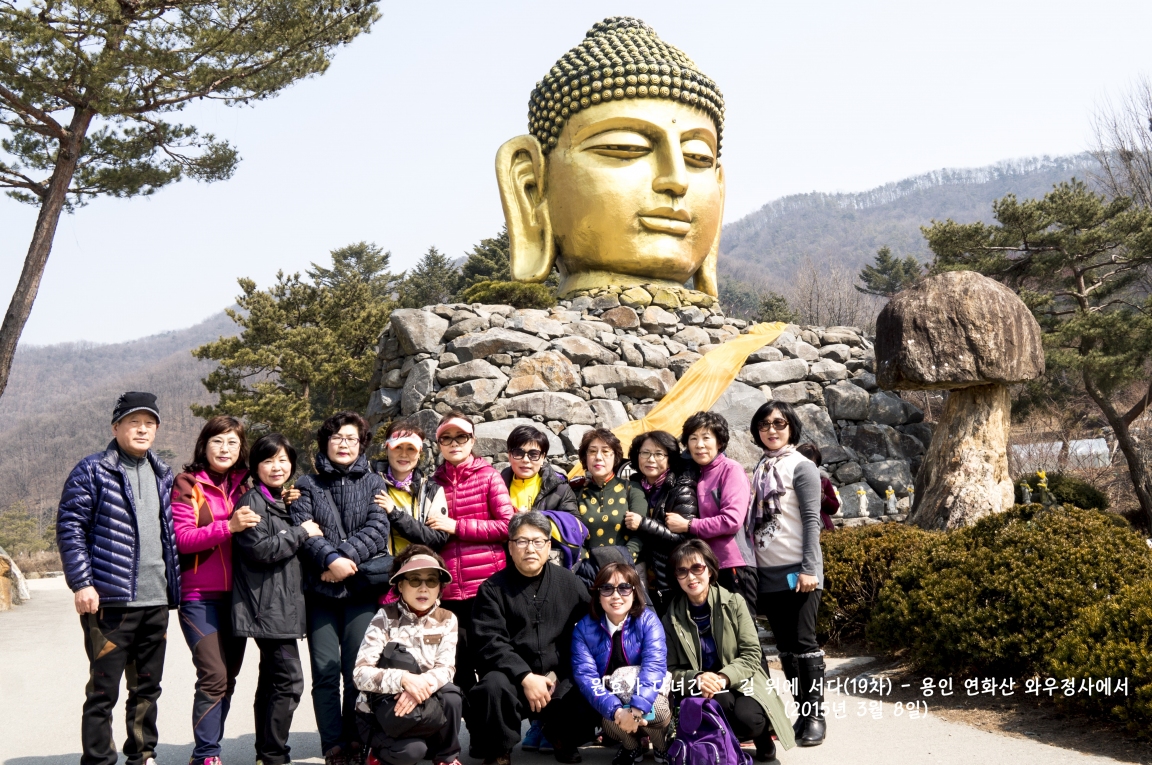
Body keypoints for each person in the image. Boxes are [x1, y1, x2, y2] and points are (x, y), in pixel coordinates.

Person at [57, 392, 180, 765]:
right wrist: (82, 583)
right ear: (116, 427)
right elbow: (71, 528)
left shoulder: (163, 473)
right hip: (110, 603)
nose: (142, 429)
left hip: (156, 601)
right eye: (133, 422)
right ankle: (98, 760)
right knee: (103, 690)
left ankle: (142, 755)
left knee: (147, 688)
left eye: (149, 423)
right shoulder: (92, 469)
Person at [291, 411, 391, 765]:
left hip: (360, 592)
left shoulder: (375, 483)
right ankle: (332, 743)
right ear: (325, 443)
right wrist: (329, 560)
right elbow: (303, 527)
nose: (344, 444)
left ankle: (355, 739)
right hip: (321, 595)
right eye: (337, 438)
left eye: (351, 438)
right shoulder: (307, 485)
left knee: (356, 670)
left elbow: (377, 528)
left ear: (361, 444)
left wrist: (343, 559)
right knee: (325, 671)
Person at [467, 512, 594, 765]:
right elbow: (489, 641)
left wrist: (564, 669)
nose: (530, 549)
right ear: (510, 547)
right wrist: (524, 676)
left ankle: (561, 736)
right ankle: (499, 749)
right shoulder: (492, 589)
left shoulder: (570, 583)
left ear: (548, 546)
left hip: (558, 675)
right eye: (522, 541)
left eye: (538, 541)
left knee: (585, 683)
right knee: (491, 687)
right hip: (512, 678)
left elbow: (592, 627)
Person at [232, 433, 323, 765]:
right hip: (266, 608)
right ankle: (274, 754)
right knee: (289, 681)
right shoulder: (251, 503)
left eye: (283, 460)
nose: (276, 467)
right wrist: (301, 531)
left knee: (271, 681)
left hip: (280, 606)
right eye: (268, 460)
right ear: (256, 466)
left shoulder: (279, 500)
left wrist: (293, 510)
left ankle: (265, 753)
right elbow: (260, 550)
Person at [171, 416, 257, 765]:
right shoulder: (187, 484)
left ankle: (210, 750)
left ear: (241, 449)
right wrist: (228, 526)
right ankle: (206, 754)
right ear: (204, 445)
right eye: (217, 441)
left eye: (232, 442)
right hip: (199, 597)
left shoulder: (247, 486)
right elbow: (182, 538)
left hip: (239, 597)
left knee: (228, 678)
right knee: (213, 675)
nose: (225, 448)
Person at [662, 540, 795, 762]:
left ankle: (761, 736)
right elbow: (669, 669)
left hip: (743, 681)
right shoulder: (671, 617)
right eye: (682, 571)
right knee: (716, 703)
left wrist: (723, 677)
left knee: (748, 719)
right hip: (703, 687)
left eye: (697, 568)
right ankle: (723, 745)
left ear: (710, 570)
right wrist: (697, 678)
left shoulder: (734, 602)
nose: (691, 577)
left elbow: (752, 653)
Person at [746, 401, 826, 747]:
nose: (772, 430)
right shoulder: (760, 466)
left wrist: (809, 568)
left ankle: (815, 717)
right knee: (785, 649)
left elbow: (812, 521)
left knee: (804, 643)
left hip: (799, 572)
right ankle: (801, 713)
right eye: (764, 424)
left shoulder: (801, 466)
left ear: (791, 426)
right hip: (768, 574)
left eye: (779, 423)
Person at [428, 410, 515, 699]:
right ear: (439, 444)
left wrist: (457, 526)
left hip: (487, 587)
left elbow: (507, 526)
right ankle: (466, 722)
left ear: (472, 440)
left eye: (461, 437)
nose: (454, 443)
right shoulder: (432, 483)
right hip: (449, 589)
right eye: (446, 438)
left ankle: (492, 726)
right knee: (458, 665)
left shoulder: (489, 477)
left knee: (491, 661)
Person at [353, 545, 462, 765]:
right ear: (400, 585)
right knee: (412, 751)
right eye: (414, 580)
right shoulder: (384, 617)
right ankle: (377, 753)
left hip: (423, 705)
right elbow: (360, 674)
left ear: (439, 587)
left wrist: (417, 687)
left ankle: (446, 757)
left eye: (431, 580)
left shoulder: (447, 618)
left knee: (452, 695)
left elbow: (446, 668)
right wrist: (403, 680)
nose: (423, 588)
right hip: (384, 710)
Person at [571, 563, 670, 765]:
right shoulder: (583, 628)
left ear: (634, 592)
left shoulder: (648, 621)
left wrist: (636, 709)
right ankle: (631, 747)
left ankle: (662, 746)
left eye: (624, 588)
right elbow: (586, 677)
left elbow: (654, 667)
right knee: (606, 717)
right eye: (607, 589)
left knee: (658, 711)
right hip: (612, 699)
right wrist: (617, 710)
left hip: (646, 695)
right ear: (598, 594)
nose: (616, 595)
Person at [669, 411, 757, 616]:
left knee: (741, 629)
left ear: (719, 442)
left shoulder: (731, 470)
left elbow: (732, 520)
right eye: (693, 439)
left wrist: (688, 525)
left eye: (706, 437)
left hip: (733, 565)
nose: (699, 445)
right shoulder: (694, 474)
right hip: (704, 568)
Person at [622, 430, 698, 616]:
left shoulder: (681, 489)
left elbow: (684, 540)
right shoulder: (632, 487)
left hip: (670, 579)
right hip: (640, 577)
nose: (651, 459)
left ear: (670, 459)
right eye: (645, 453)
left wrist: (643, 524)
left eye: (659, 454)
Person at [573, 429, 647, 582]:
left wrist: (622, 562)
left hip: (628, 570)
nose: (598, 457)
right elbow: (573, 535)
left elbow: (641, 533)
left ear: (616, 457)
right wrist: (587, 565)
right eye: (592, 451)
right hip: (589, 573)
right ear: (585, 457)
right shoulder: (576, 493)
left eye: (606, 452)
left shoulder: (631, 489)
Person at [371, 419, 450, 556]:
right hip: (376, 566)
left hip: (417, 566)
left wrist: (394, 514)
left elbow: (436, 539)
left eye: (411, 448)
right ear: (387, 448)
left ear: (419, 453)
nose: (404, 454)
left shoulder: (431, 490)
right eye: (398, 447)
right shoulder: (368, 480)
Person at [501, 424, 578, 514]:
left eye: (533, 454)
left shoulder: (559, 489)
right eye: (518, 453)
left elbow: (573, 520)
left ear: (542, 458)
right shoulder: (495, 486)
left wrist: (535, 519)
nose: (525, 460)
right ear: (509, 456)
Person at [795, 443, 838, 531]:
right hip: (798, 531)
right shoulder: (789, 480)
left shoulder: (823, 480)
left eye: (813, 464)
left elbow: (834, 508)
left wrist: (823, 498)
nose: (809, 468)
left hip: (824, 531)